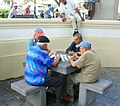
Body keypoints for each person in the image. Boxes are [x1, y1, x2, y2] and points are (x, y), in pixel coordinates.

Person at [24, 35, 65, 106]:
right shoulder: (42, 53)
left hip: (28, 76)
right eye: (46, 45)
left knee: (51, 78)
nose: (47, 46)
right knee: (59, 82)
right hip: (36, 79)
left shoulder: (31, 48)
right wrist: (58, 58)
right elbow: (54, 64)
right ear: (44, 44)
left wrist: (48, 52)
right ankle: (59, 103)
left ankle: (49, 93)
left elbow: (41, 57)